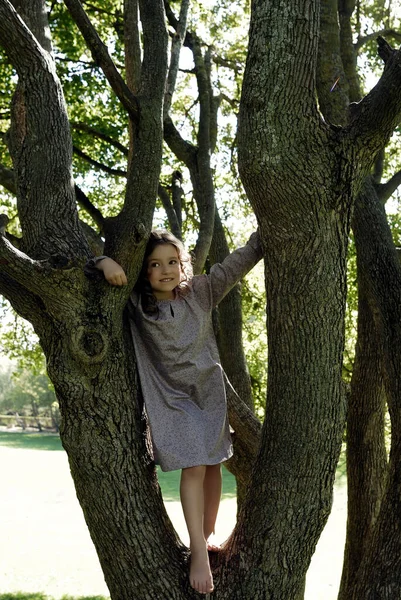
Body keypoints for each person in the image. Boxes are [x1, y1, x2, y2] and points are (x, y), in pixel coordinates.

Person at [88, 229, 262, 594]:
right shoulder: (135, 302)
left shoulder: (199, 292)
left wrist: (264, 236)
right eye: (154, 264)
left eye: (171, 261)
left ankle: (209, 536)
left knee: (213, 462)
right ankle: (198, 552)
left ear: (182, 265)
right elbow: (82, 275)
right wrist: (102, 262)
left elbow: (235, 264)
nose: (165, 270)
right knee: (194, 465)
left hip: (208, 393)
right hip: (170, 398)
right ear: (143, 271)